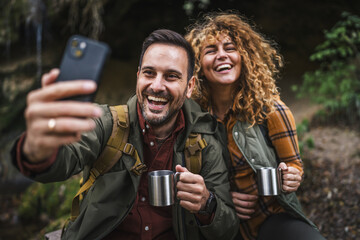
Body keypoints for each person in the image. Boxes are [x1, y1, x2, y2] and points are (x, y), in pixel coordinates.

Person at [11, 29, 239, 240]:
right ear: (138, 76)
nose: (157, 86)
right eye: (149, 73)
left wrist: (206, 204)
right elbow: (64, 160)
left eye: (171, 76)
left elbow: (227, 229)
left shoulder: (204, 142)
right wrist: (37, 149)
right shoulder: (105, 123)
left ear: (189, 87)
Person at [185, 12, 325, 240]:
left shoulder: (271, 110)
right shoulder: (193, 118)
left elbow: (293, 164)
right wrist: (222, 198)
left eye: (229, 48)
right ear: (197, 65)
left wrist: (292, 176)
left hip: (271, 218)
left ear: (245, 56)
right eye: (211, 51)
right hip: (219, 225)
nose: (221, 55)